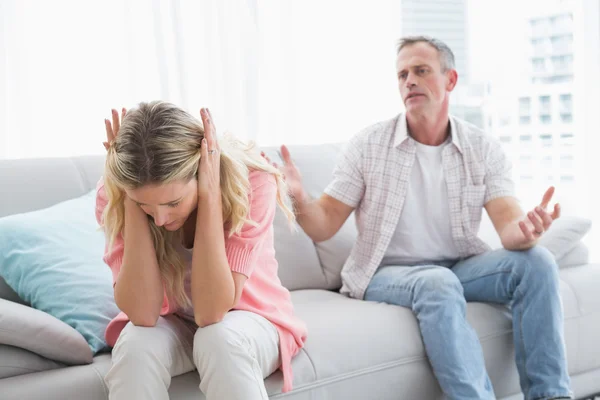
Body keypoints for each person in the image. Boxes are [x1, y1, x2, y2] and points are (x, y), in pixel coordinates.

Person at [266, 36, 572, 400]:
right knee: (436, 282)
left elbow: (509, 225)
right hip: (385, 272)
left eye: (421, 71)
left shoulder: (482, 147)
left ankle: (552, 395)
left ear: (451, 80)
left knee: (537, 262)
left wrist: (526, 232)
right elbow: (325, 223)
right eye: (402, 74)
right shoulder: (369, 144)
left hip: (460, 264)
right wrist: (298, 197)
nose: (409, 81)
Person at [96, 101, 307, 400]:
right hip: (176, 324)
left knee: (218, 338)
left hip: (251, 319)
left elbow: (211, 312)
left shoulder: (253, 181)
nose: (160, 219)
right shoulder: (115, 195)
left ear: (200, 170)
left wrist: (209, 195)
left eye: (172, 203)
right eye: (146, 206)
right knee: (135, 344)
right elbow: (143, 314)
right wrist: (128, 194)